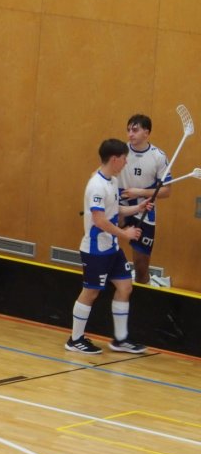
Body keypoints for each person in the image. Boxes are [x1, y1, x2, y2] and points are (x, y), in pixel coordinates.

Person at [66, 138, 149, 355]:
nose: (126, 163)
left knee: (125, 287)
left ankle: (120, 340)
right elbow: (100, 220)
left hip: (111, 248)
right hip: (95, 249)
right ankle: (75, 339)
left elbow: (115, 210)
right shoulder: (97, 185)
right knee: (91, 292)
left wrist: (138, 208)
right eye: (124, 159)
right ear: (114, 159)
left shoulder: (112, 180)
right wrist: (125, 234)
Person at [119, 113, 172, 285]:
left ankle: (142, 289)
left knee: (141, 267)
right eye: (128, 130)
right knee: (102, 248)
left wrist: (140, 192)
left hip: (144, 211)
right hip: (119, 206)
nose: (130, 134)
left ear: (146, 133)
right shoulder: (120, 152)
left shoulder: (159, 156)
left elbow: (166, 191)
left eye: (135, 130)